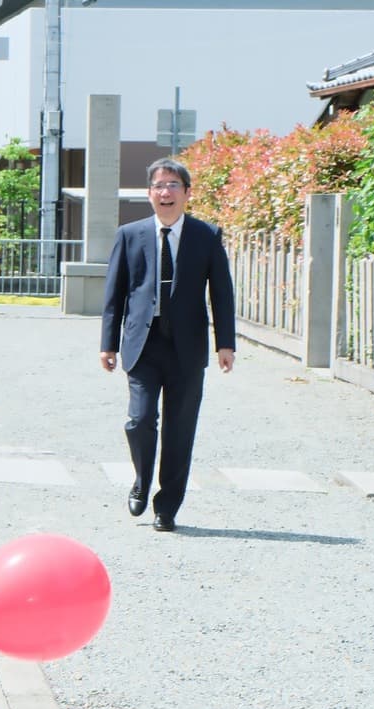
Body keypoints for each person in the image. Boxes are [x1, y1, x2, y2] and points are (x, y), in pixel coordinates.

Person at [99, 158, 235, 532]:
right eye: (159, 186)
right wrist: (108, 344)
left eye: (173, 185)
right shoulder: (130, 235)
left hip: (187, 348)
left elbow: (221, 293)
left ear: (187, 193)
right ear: (149, 194)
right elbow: (115, 293)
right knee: (140, 419)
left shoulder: (207, 236)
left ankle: (167, 507)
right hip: (143, 344)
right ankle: (141, 481)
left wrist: (225, 343)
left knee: (180, 429)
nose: (166, 192)